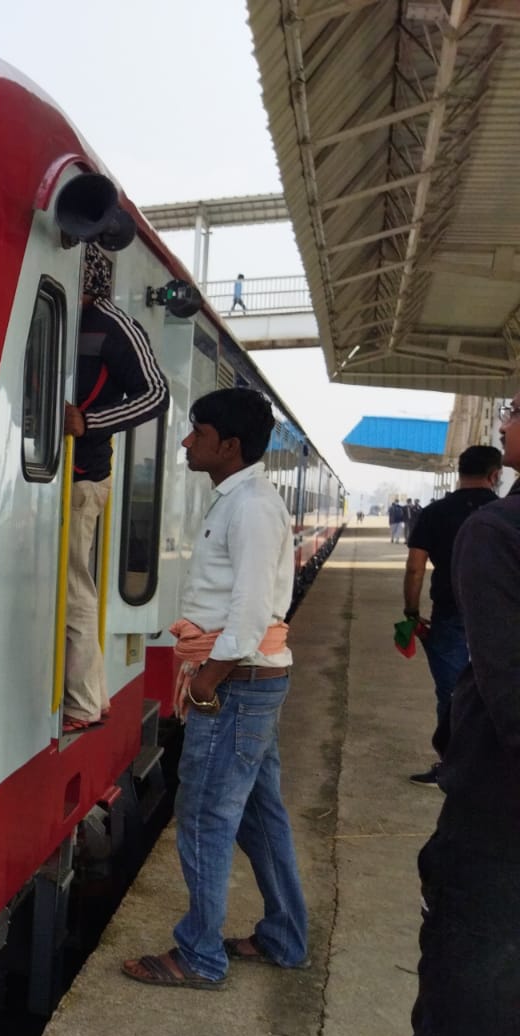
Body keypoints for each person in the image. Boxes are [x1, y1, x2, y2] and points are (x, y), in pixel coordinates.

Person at [336, 399, 520, 1036]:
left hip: (502, 833)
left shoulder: (497, 533)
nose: (508, 411)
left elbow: (511, 700)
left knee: (467, 1033)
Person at [122, 388, 307, 988]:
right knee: (259, 814)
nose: (185, 440)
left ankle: (200, 956)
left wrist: (208, 679)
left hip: (238, 684)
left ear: (228, 445)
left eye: (196, 431)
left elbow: (251, 611)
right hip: (252, 681)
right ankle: (284, 935)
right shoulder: (241, 499)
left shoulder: (249, 507)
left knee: (203, 814)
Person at [62, 244, 170, 734]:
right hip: (61, 475)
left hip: (84, 476)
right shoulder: (67, 312)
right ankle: (92, 694)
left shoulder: (114, 324)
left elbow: (156, 393)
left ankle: (82, 703)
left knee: (73, 585)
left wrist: (89, 422)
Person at [400, 445, 502, 786]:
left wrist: (412, 612)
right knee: (499, 688)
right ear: (495, 475)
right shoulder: (503, 511)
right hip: (498, 615)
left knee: (453, 692)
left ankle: (452, 765)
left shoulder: (434, 512)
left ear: (459, 472)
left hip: (449, 612)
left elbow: (415, 568)